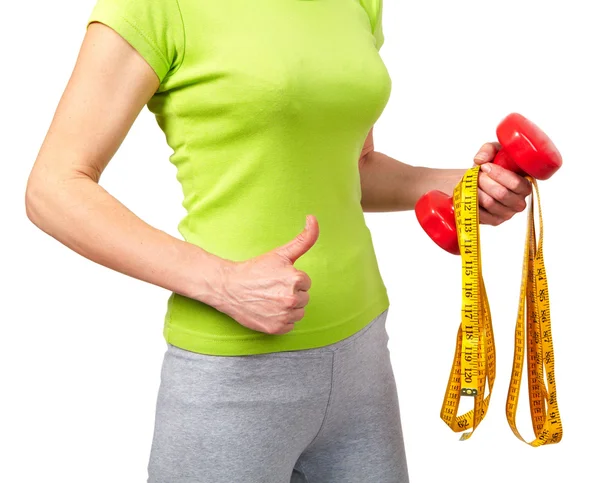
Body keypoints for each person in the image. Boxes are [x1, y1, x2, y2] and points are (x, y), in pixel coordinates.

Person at [25, 0, 532, 481]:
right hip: (234, 377)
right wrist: (223, 283)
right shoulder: (158, 6)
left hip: (363, 360)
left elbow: (352, 168)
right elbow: (54, 186)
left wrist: (462, 188)